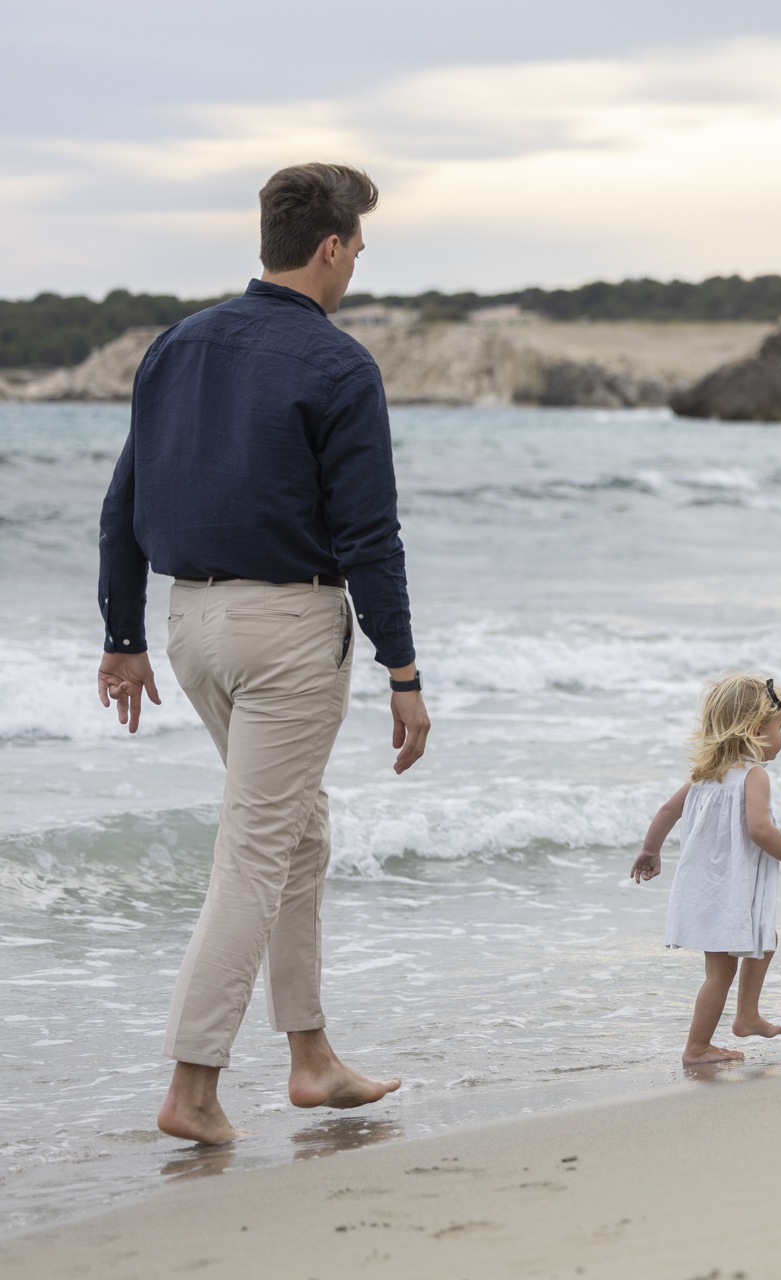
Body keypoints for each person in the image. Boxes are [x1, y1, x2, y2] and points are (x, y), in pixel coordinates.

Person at [94, 163, 430, 1143]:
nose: (357, 263)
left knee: (297, 832)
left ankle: (311, 1057)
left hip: (190, 628)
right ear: (328, 247)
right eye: (357, 247)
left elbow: (123, 502)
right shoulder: (339, 365)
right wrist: (403, 672)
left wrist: (122, 636)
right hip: (285, 633)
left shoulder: (175, 344)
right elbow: (370, 535)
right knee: (254, 851)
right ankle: (193, 1086)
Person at [630, 673, 781, 1065]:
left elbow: (667, 810)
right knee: (721, 973)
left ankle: (747, 1016)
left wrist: (651, 849)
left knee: (764, 939)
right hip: (729, 887)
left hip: (708, 885)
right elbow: (760, 830)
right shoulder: (753, 776)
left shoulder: (705, 776)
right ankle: (697, 1047)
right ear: (757, 730)